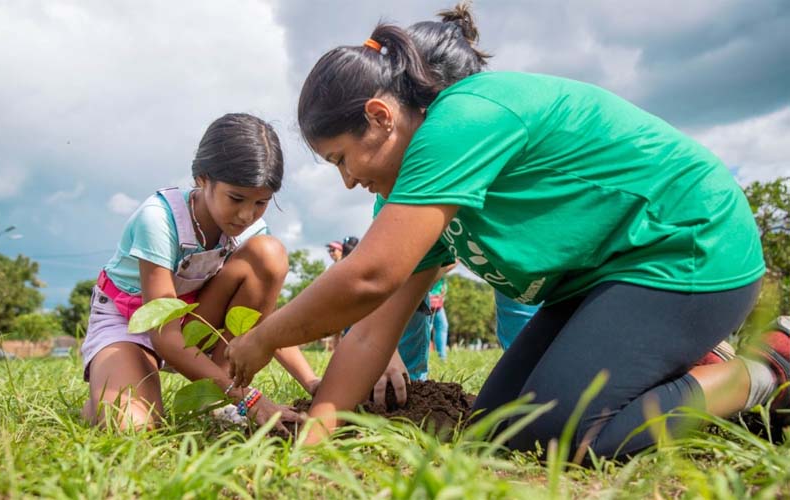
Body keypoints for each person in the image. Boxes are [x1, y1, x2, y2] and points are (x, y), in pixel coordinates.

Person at [226, 5, 778, 461]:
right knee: (501, 432)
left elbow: (370, 276)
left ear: (380, 116)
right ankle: (684, 363)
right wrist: (314, 442)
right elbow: (371, 333)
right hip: (604, 280)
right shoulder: (410, 194)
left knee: (575, 441)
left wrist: (265, 335)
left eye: (342, 159)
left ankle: (764, 370)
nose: (348, 182)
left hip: (689, 249)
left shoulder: (462, 120)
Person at [80, 113, 320, 431]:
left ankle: (218, 399)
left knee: (270, 253)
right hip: (133, 324)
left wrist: (313, 382)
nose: (247, 214)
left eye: (261, 202)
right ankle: (109, 387)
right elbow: (164, 335)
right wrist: (249, 399)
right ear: (202, 179)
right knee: (132, 428)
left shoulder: (252, 233)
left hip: (197, 324)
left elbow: (264, 321)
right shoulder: (158, 220)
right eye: (236, 198)